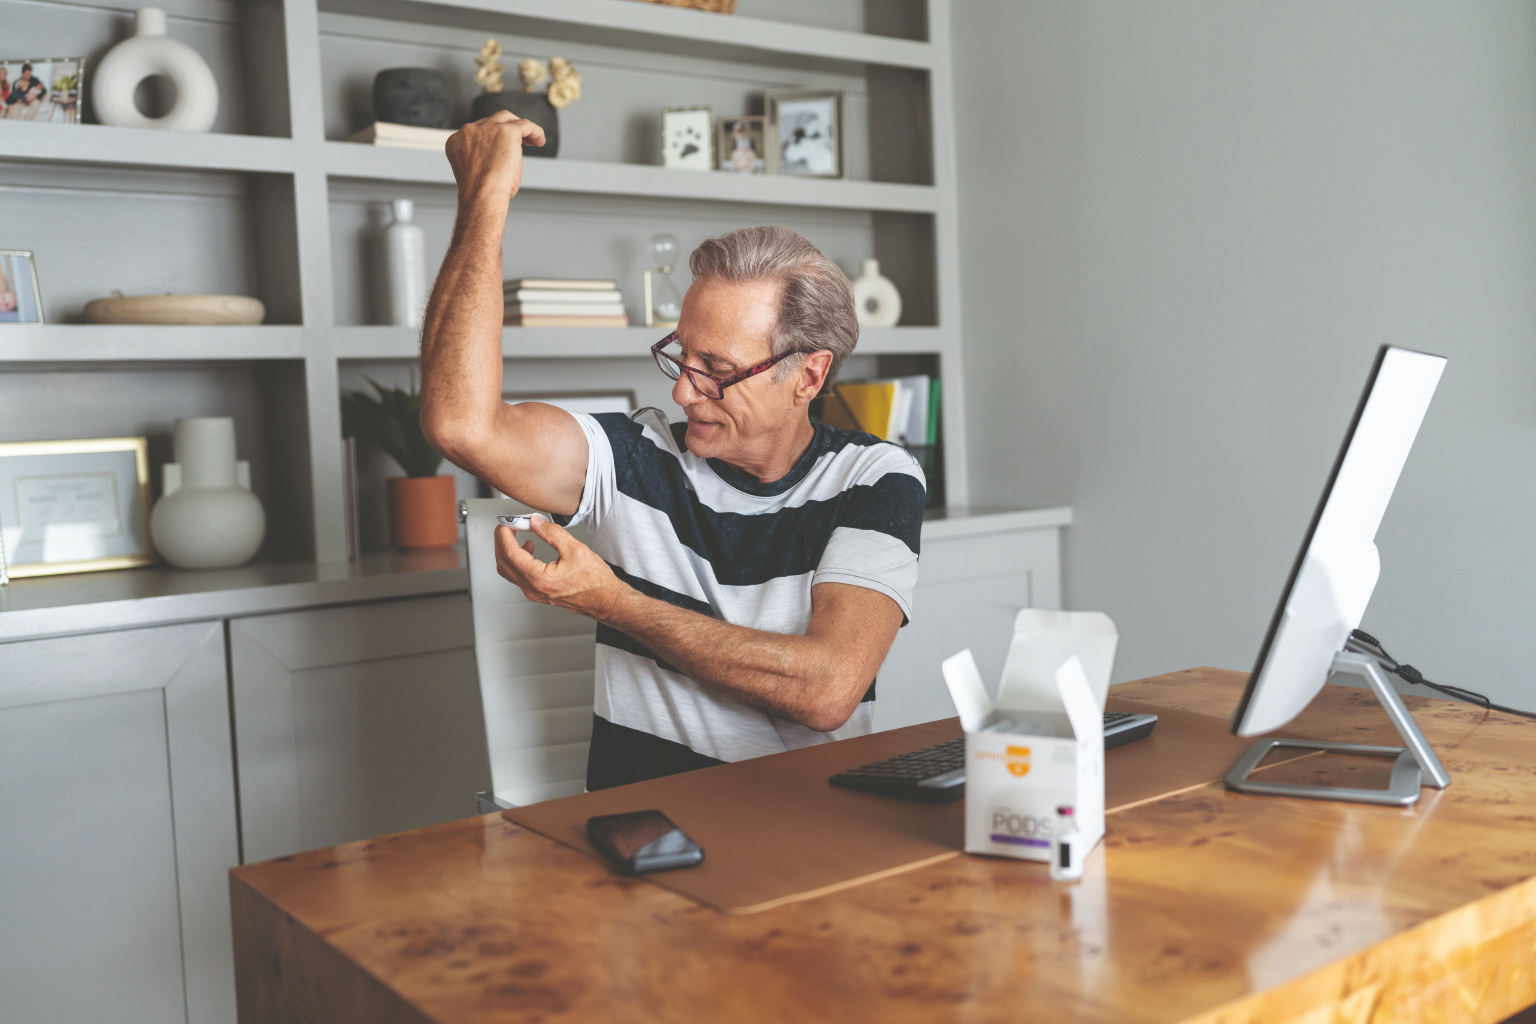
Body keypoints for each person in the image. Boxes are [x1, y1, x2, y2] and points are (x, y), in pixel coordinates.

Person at [420, 111, 925, 790]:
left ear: (808, 375)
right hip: (641, 841)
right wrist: (484, 199)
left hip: (809, 837)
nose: (685, 394)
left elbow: (827, 690)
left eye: (715, 369)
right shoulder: (633, 458)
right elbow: (460, 424)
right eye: (678, 356)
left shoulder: (874, 478)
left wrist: (615, 602)